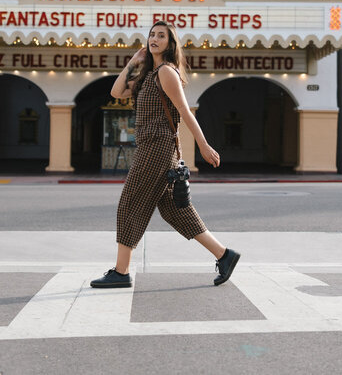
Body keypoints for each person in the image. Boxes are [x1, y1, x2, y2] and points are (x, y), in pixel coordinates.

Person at [91, 21, 240, 288]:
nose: (154, 39)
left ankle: (121, 272)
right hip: (152, 147)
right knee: (175, 211)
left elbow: (185, 112)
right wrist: (134, 61)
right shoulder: (148, 73)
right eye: (151, 34)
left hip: (158, 147)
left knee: (130, 203)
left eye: (161, 36)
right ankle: (225, 255)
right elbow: (116, 91)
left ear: (171, 44)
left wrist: (203, 146)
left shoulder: (167, 73)